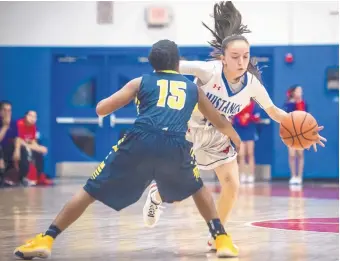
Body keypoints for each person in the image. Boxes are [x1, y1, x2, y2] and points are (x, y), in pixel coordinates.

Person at [14, 39, 242, 259]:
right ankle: (221, 238)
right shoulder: (193, 89)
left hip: (140, 140)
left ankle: (47, 239)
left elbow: (102, 109)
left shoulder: (140, 82)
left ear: (153, 64)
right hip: (174, 143)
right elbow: (219, 121)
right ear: (177, 63)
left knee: (89, 191)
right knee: (198, 189)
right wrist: (235, 137)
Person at [142, 1, 326, 251]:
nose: (241, 62)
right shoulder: (208, 72)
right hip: (189, 128)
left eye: (246, 57)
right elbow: (169, 66)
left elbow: (272, 111)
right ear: (223, 57)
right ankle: (156, 193)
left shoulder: (251, 84)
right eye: (235, 57)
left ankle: (217, 234)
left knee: (232, 184)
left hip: (218, 132)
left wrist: (301, 127)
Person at [17, 110, 52, 185]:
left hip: (28, 147)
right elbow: (18, 140)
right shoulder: (19, 124)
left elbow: (33, 141)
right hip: (18, 148)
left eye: (35, 117)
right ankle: (23, 177)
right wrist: (34, 147)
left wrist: (39, 148)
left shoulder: (33, 127)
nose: (33, 118)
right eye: (30, 116)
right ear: (25, 116)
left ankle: (39, 176)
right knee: (25, 151)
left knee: (39, 152)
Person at [0, 101, 30, 186]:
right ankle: (2, 178)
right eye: (5, 110)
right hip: (1, 149)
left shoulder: (13, 123)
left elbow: (17, 138)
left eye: (9, 110)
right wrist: (5, 126)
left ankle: (21, 178)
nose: (7, 113)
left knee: (23, 150)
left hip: (9, 149)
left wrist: (17, 150)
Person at [283, 85, 308, 185]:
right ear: (293, 93)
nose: (300, 93)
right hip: (291, 132)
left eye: (301, 91)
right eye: (298, 91)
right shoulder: (289, 104)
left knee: (300, 154)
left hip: (301, 132)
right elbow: (286, 115)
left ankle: (299, 176)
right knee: (292, 154)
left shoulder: (303, 104)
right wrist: (292, 103)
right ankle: (293, 175)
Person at [233, 100, 260, 183]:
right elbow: (234, 117)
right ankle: (242, 174)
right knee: (241, 155)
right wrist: (240, 119)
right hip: (240, 130)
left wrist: (249, 117)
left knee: (250, 153)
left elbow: (257, 117)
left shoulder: (254, 105)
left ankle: (251, 175)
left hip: (250, 130)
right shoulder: (238, 103)